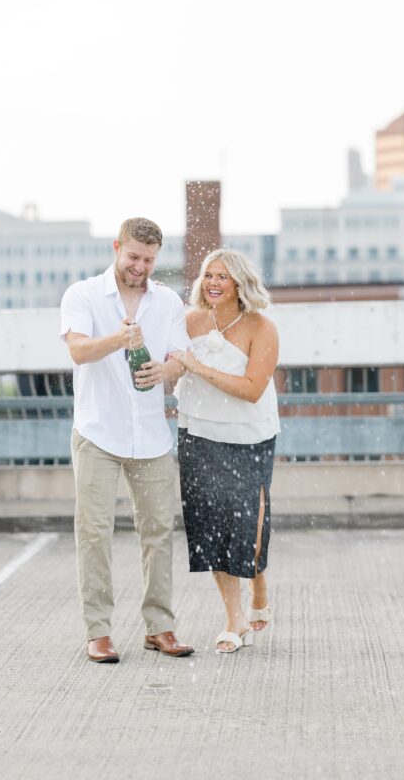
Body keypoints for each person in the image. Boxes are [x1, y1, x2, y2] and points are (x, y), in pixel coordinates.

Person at [60, 217, 194, 664]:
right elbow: (78, 350)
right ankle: (98, 633)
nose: (140, 266)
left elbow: (180, 357)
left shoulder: (169, 300)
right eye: (134, 256)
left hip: (152, 437)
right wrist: (119, 338)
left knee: (158, 532)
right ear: (118, 248)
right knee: (94, 532)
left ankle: (161, 628)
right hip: (98, 431)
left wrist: (166, 370)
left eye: (149, 259)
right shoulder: (82, 295)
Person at [171, 248, 279, 654]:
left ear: (240, 283)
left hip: (250, 437)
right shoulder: (189, 321)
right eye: (208, 275)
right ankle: (234, 619)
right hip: (198, 433)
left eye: (223, 276)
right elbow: (173, 365)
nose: (213, 283)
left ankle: (259, 584)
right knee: (211, 527)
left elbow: (252, 390)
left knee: (249, 531)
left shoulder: (261, 327)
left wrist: (197, 367)